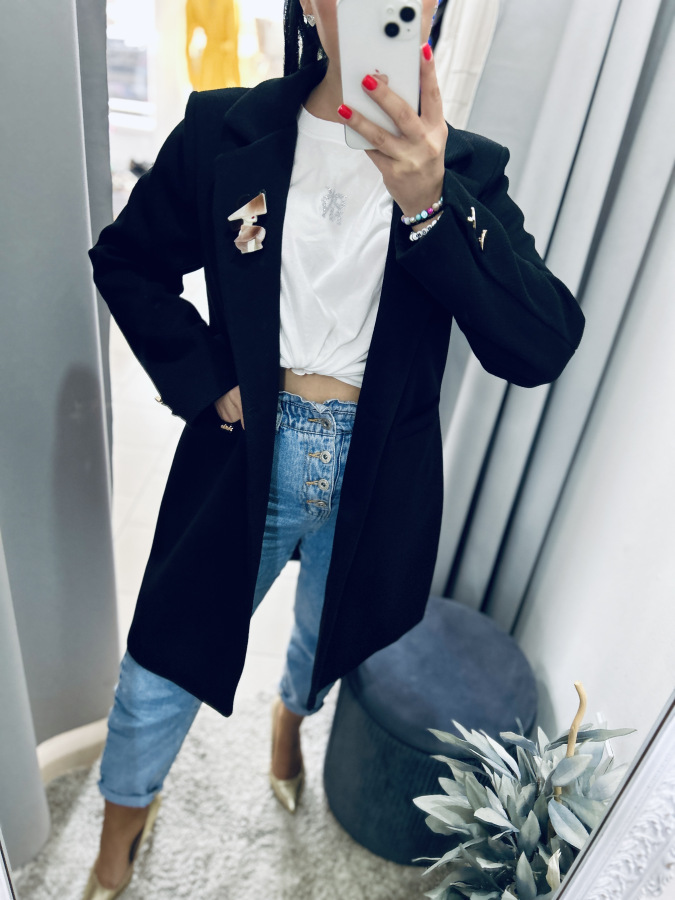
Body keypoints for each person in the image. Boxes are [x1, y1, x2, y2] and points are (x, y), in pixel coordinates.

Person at [83, 0, 585, 896]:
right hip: (245, 450)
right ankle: (118, 836)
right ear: (313, 2)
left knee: (326, 635)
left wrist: (431, 206)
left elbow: (540, 345)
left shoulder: (464, 169)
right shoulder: (223, 129)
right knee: (162, 656)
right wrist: (208, 378)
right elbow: (127, 259)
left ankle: (289, 720)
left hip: (377, 470)